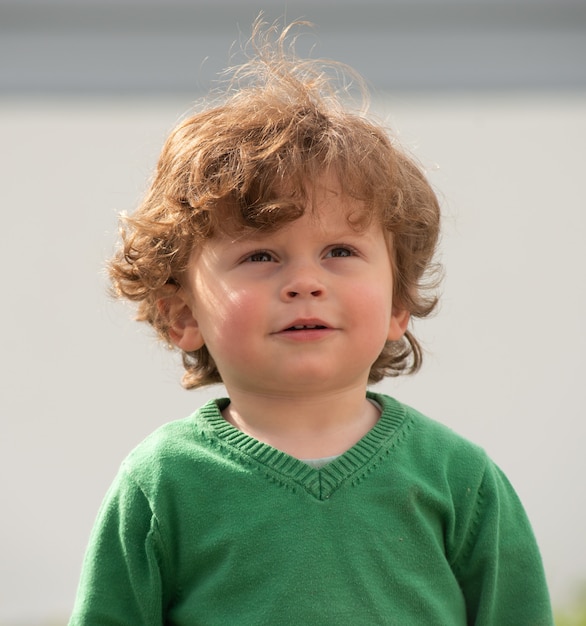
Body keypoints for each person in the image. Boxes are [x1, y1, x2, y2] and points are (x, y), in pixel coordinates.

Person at [69, 21, 553, 625]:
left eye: (340, 252)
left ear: (398, 305)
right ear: (182, 315)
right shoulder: (162, 483)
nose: (305, 281)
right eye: (260, 256)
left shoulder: (459, 479)